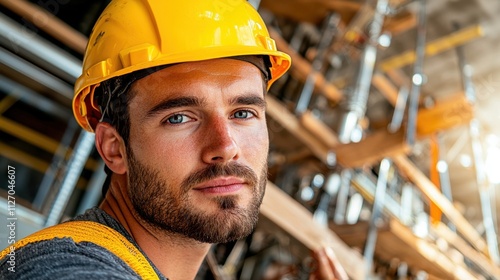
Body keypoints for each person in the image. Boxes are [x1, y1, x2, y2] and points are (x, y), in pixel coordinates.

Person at [0, 0, 347, 279]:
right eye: (178, 118)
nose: (226, 146)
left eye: (243, 113)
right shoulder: (61, 269)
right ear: (114, 148)